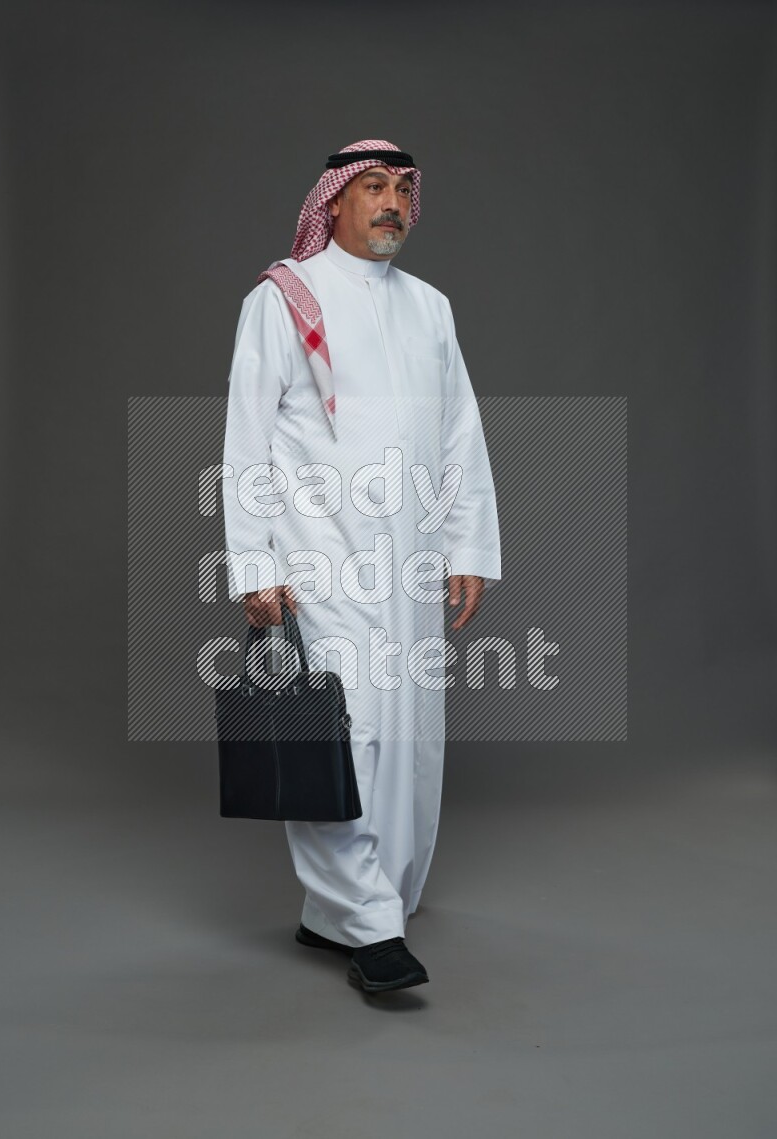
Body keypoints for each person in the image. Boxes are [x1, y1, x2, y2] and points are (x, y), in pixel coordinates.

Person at [221, 139, 501, 993]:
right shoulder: (283, 299)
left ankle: (341, 911)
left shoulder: (431, 307)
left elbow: (459, 432)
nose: (391, 204)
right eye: (373, 188)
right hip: (321, 556)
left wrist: (468, 545)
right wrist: (251, 563)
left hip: (409, 562)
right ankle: (371, 928)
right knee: (343, 735)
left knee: (411, 740)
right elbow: (247, 436)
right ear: (333, 202)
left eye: (402, 191)